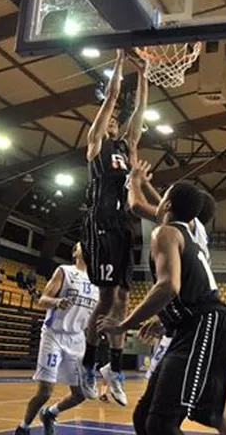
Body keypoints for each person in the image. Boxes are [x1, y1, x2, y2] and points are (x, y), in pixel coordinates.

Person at [99, 182, 226, 435]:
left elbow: (168, 286)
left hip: (204, 325)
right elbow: (188, 287)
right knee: (145, 417)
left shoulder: (165, 233)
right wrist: (167, 319)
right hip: (196, 324)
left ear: (167, 204)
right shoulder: (185, 236)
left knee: (163, 423)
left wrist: (124, 324)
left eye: (163, 196)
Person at [80, 50, 148, 406]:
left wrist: (145, 75)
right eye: (108, 121)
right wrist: (121, 62)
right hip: (101, 224)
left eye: (114, 122)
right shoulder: (96, 144)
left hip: (123, 227)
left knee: (122, 300)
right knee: (106, 299)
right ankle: (89, 364)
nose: (112, 123)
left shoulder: (126, 146)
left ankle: (115, 370)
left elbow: (138, 113)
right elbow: (112, 98)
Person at [127, 160, 217, 380]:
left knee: (161, 388)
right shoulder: (193, 231)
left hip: (190, 322)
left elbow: (138, 207)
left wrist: (134, 182)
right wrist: (147, 185)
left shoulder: (181, 229)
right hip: (189, 312)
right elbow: (165, 206)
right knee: (158, 386)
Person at [15, 243, 99, 435]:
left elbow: (93, 317)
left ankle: (50, 413)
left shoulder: (97, 284)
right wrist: (57, 301)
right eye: (81, 245)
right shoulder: (64, 271)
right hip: (54, 335)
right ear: (75, 252)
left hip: (77, 339)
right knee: (45, 392)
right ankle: (23, 427)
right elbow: (42, 300)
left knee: (81, 394)